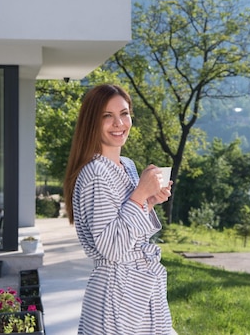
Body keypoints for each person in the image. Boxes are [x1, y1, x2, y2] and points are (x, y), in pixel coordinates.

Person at [63, 84, 174, 334]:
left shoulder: (127, 165)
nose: (119, 123)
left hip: (139, 288)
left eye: (124, 113)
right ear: (92, 121)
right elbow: (112, 248)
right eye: (107, 116)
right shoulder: (95, 173)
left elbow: (128, 226)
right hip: (116, 295)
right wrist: (139, 195)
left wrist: (149, 200)